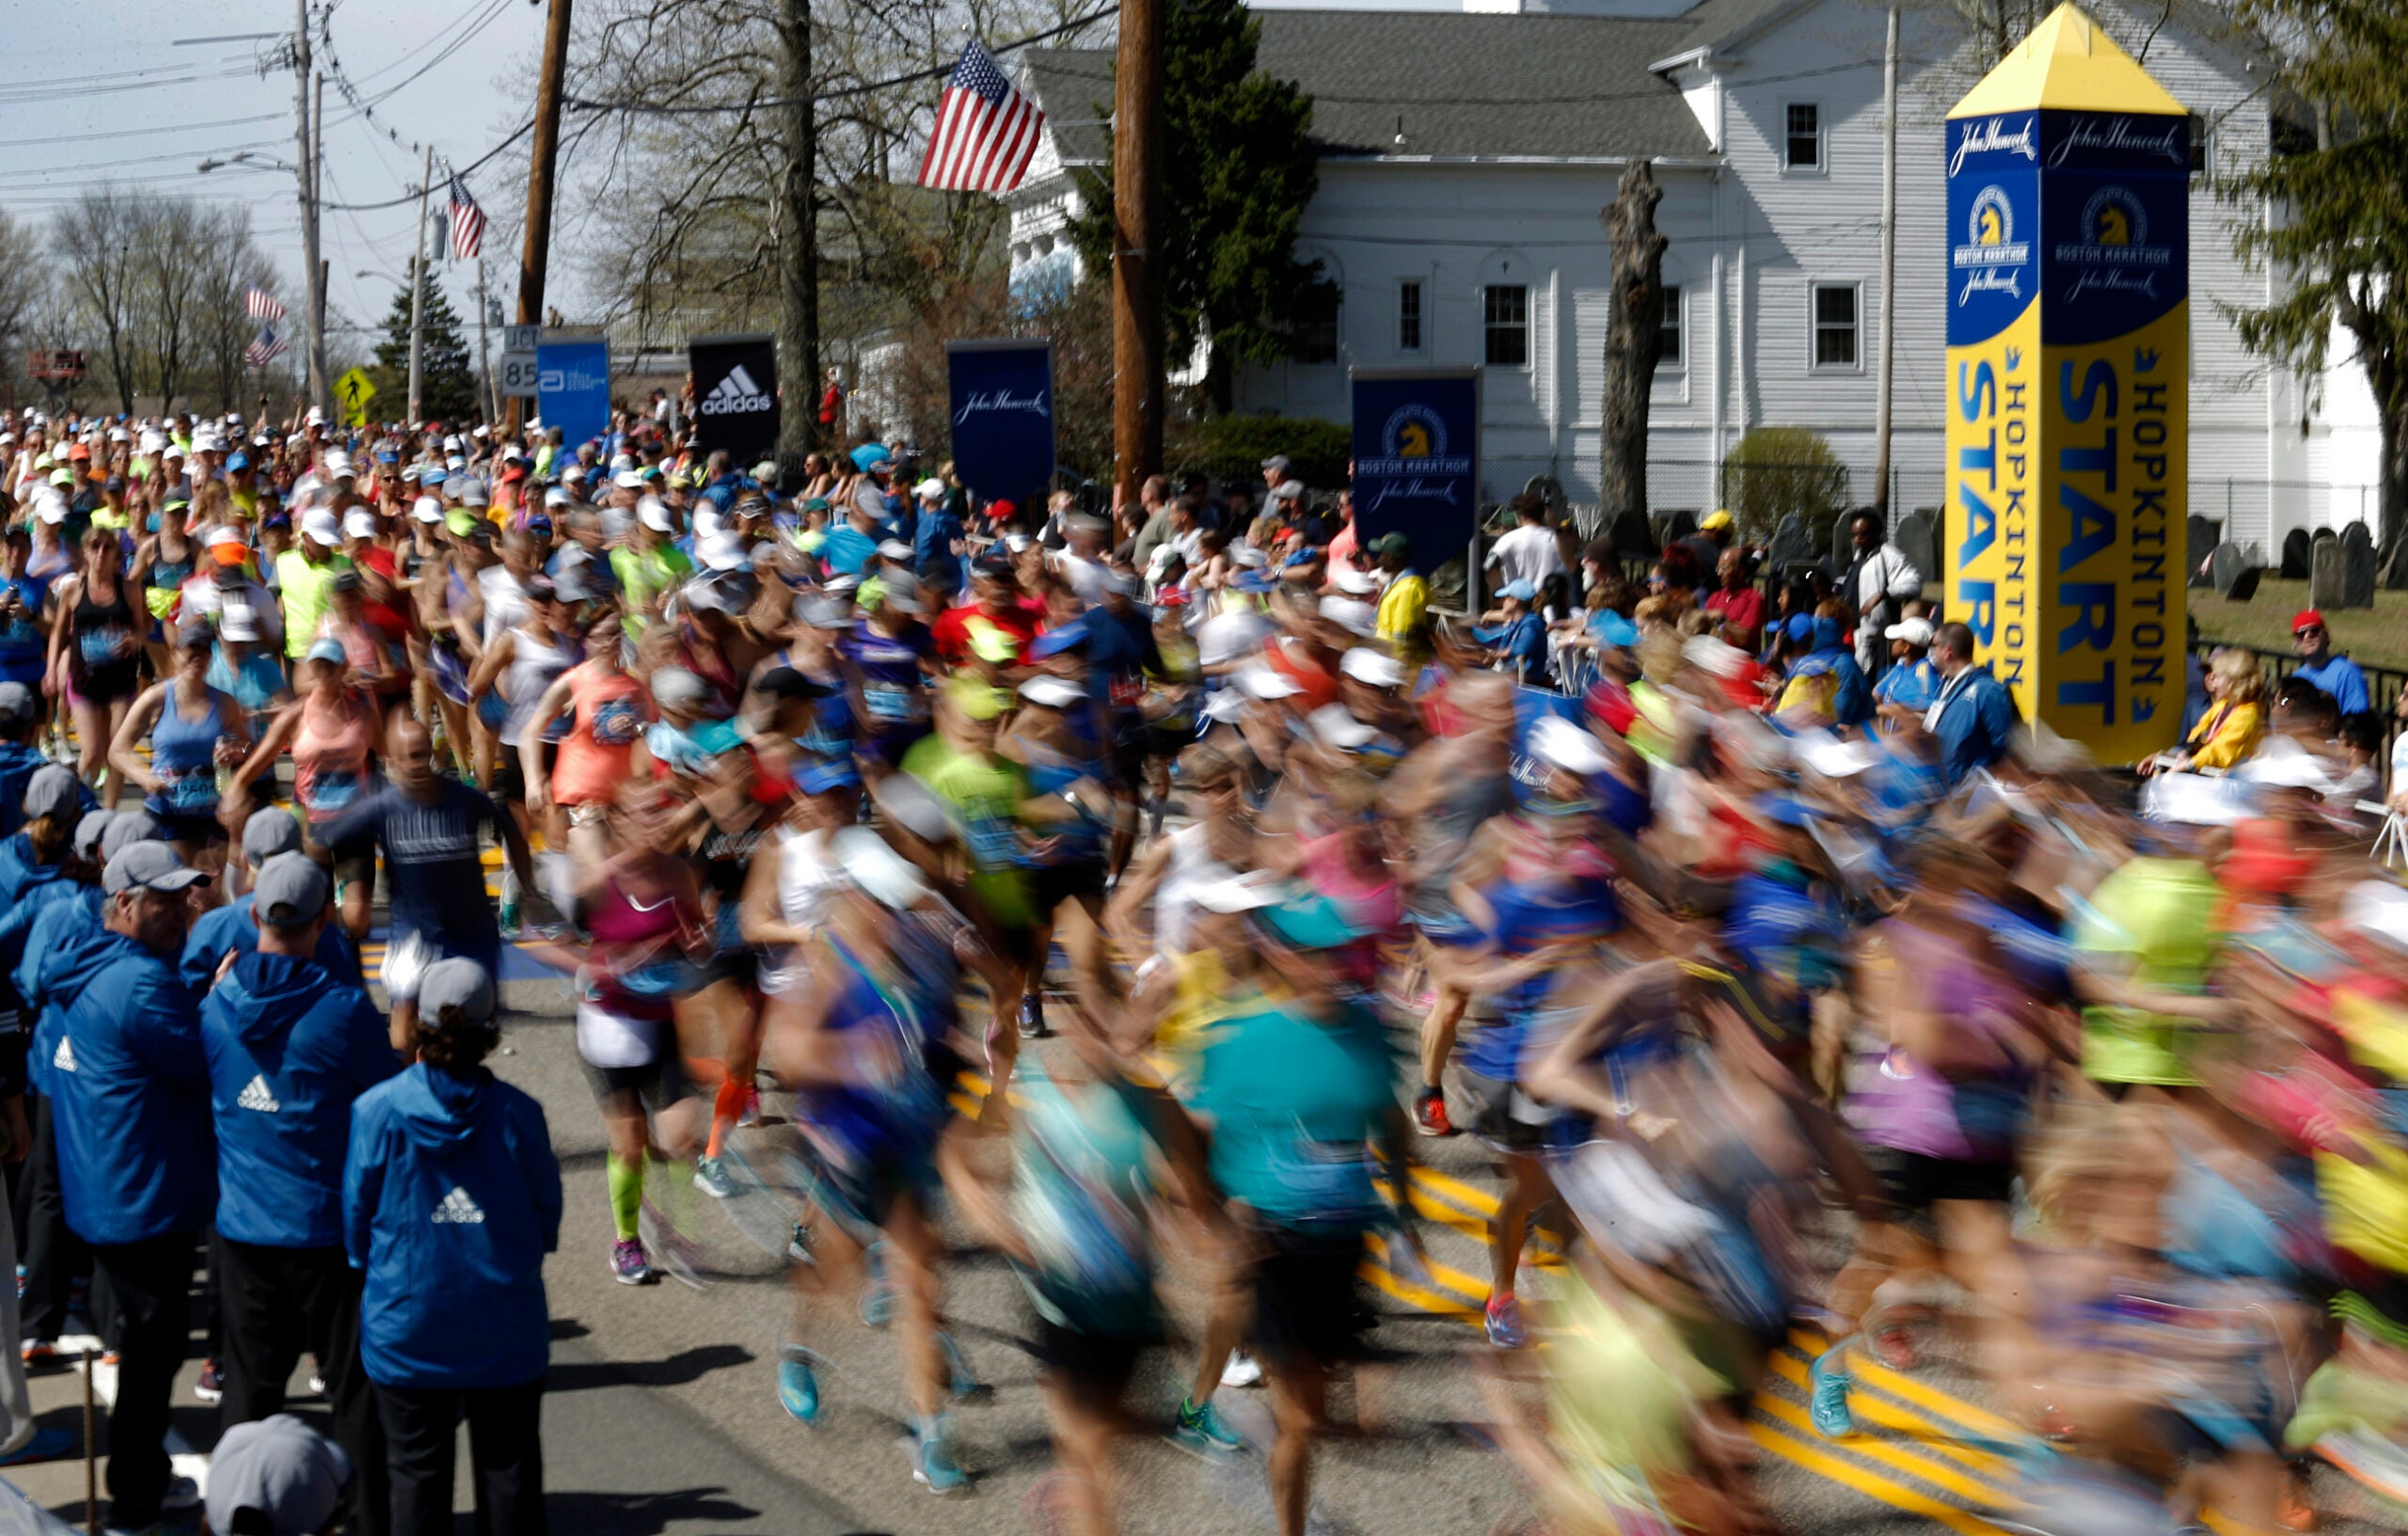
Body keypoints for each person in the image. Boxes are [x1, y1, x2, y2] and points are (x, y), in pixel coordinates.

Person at [200, 852, 396, 1536]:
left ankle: (234, 1515)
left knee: (248, 1392)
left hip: (243, 1230)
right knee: (354, 1394)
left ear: (254, 916)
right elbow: (385, 1102)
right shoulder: (342, 1011)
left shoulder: (214, 1005)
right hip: (324, 1233)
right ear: (323, 924)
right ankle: (366, 1522)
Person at [344, 958, 559, 1536]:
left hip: (408, 1326)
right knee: (508, 1471)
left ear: (419, 1023)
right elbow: (546, 1221)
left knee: (416, 1475)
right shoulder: (520, 1116)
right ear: (491, 1028)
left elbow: (356, 1226)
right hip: (504, 1324)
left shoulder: (376, 1111)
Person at [47, 841, 213, 1530]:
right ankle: (136, 1495)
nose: (181, 911)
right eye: (164, 900)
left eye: (183, 897)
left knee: (142, 1349)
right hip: (145, 1198)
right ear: (123, 903)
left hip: (108, 1191)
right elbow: (200, 1060)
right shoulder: (143, 982)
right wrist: (218, 996)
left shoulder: (96, 965)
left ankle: (137, 1478)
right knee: (152, 1354)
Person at [108, 621, 249, 865]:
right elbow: (117, 751)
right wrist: (145, 779)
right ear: (174, 655)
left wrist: (236, 752)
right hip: (167, 812)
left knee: (210, 889)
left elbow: (250, 747)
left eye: (205, 652)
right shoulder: (155, 699)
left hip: (212, 813)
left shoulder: (224, 702)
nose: (198, 657)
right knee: (176, 879)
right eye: (191, 651)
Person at [46, 526, 144, 804]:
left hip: (120, 681)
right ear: (86, 552)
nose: (101, 553)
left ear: (115, 554)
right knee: (91, 753)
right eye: (94, 546)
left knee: (116, 751)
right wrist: (52, 669)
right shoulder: (73, 590)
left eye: (107, 547)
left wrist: (134, 640)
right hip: (84, 681)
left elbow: (142, 626)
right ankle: (70, 806)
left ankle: (109, 813)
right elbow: (58, 631)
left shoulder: (129, 589)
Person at [1921, 621, 2016, 786]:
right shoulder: (1946, 684)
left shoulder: (1987, 691)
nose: (1931, 653)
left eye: (1934, 646)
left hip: (1966, 798)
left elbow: (2005, 747)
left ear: (1947, 651)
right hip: (1940, 791)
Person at [1840, 508, 1924, 675]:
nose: (1858, 540)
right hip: (1854, 636)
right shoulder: (1858, 560)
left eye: (1862, 534)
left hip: (1880, 642)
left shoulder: (1888, 555)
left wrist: (1883, 594)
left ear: (1876, 533)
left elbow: (1914, 582)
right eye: (1854, 535)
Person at [2288, 608, 2371, 719]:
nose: (2307, 636)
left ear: (2326, 636)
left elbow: (2357, 721)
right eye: (2301, 634)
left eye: (2314, 631)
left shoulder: (2347, 673)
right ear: (2296, 644)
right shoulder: (2297, 678)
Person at [1484, 495, 1565, 594]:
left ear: (1522, 516)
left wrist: (1498, 593)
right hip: (1549, 601)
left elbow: (1489, 566)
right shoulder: (1555, 538)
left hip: (1517, 603)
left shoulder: (1508, 539)